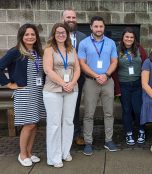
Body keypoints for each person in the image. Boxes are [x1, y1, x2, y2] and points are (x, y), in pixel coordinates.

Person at [0, 24, 45, 167]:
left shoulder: (38, 52)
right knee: (29, 124)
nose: (30, 37)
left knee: (34, 124)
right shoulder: (15, 52)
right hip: (24, 92)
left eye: (33, 34)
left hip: (38, 91)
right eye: (27, 34)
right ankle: (22, 154)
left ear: (36, 36)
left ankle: (30, 153)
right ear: (21, 36)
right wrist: (8, 84)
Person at [78, 16, 118, 155]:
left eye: (101, 26)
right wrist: (96, 76)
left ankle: (109, 140)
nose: (99, 29)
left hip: (107, 81)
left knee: (109, 113)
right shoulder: (84, 43)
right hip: (90, 81)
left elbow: (114, 61)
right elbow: (82, 63)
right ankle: (88, 142)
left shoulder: (111, 43)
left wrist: (106, 75)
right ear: (91, 27)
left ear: (104, 27)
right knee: (89, 113)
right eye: (96, 26)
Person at [43, 23, 80, 168]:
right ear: (53, 34)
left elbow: (77, 69)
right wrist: (63, 84)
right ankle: (53, 157)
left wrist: (72, 82)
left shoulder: (72, 49)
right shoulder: (49, 50)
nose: (61, 34)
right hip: (53, 90)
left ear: (67, 34)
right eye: (58, 32)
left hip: (71, 89)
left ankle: (65, 152)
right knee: (54, 124)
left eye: (63, 32)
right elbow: (48, 70)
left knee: (68, 122)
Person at [113, 27, 148, 145]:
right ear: (123, 38)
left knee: (138, 110)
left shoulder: (139, 49)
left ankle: (141, 130)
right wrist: (117, 89)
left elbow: (146, 66)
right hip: (124, 85)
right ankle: (129, 133)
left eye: (131, 37)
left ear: (134, 39)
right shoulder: (117, 50)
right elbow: (114, 71)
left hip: (138, 85)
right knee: (127, 110)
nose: (129, 39)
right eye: (127, 37)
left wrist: (145, 85)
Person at [62, 8, 87, 146]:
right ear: (63, 19)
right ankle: (63, 135)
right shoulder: (57, 35)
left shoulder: (83, 37)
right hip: (61, 78)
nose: (71, 20)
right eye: (68, 17)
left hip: (79, 77)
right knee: (62, 107)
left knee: (75, 106)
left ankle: (76, 133)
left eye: (73, 17)